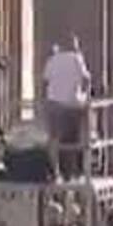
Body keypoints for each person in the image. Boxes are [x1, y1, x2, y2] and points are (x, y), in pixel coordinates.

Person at [42, 37, 92, 177]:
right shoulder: (77, 58)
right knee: (75, 136)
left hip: (53, 103)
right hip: (71, 104)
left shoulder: (52, 59)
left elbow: (45, 82)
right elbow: (86, 79)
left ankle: (55, 170)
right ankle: (77, 169)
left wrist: (45, 101)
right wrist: (86, 96)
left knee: (54, 137)